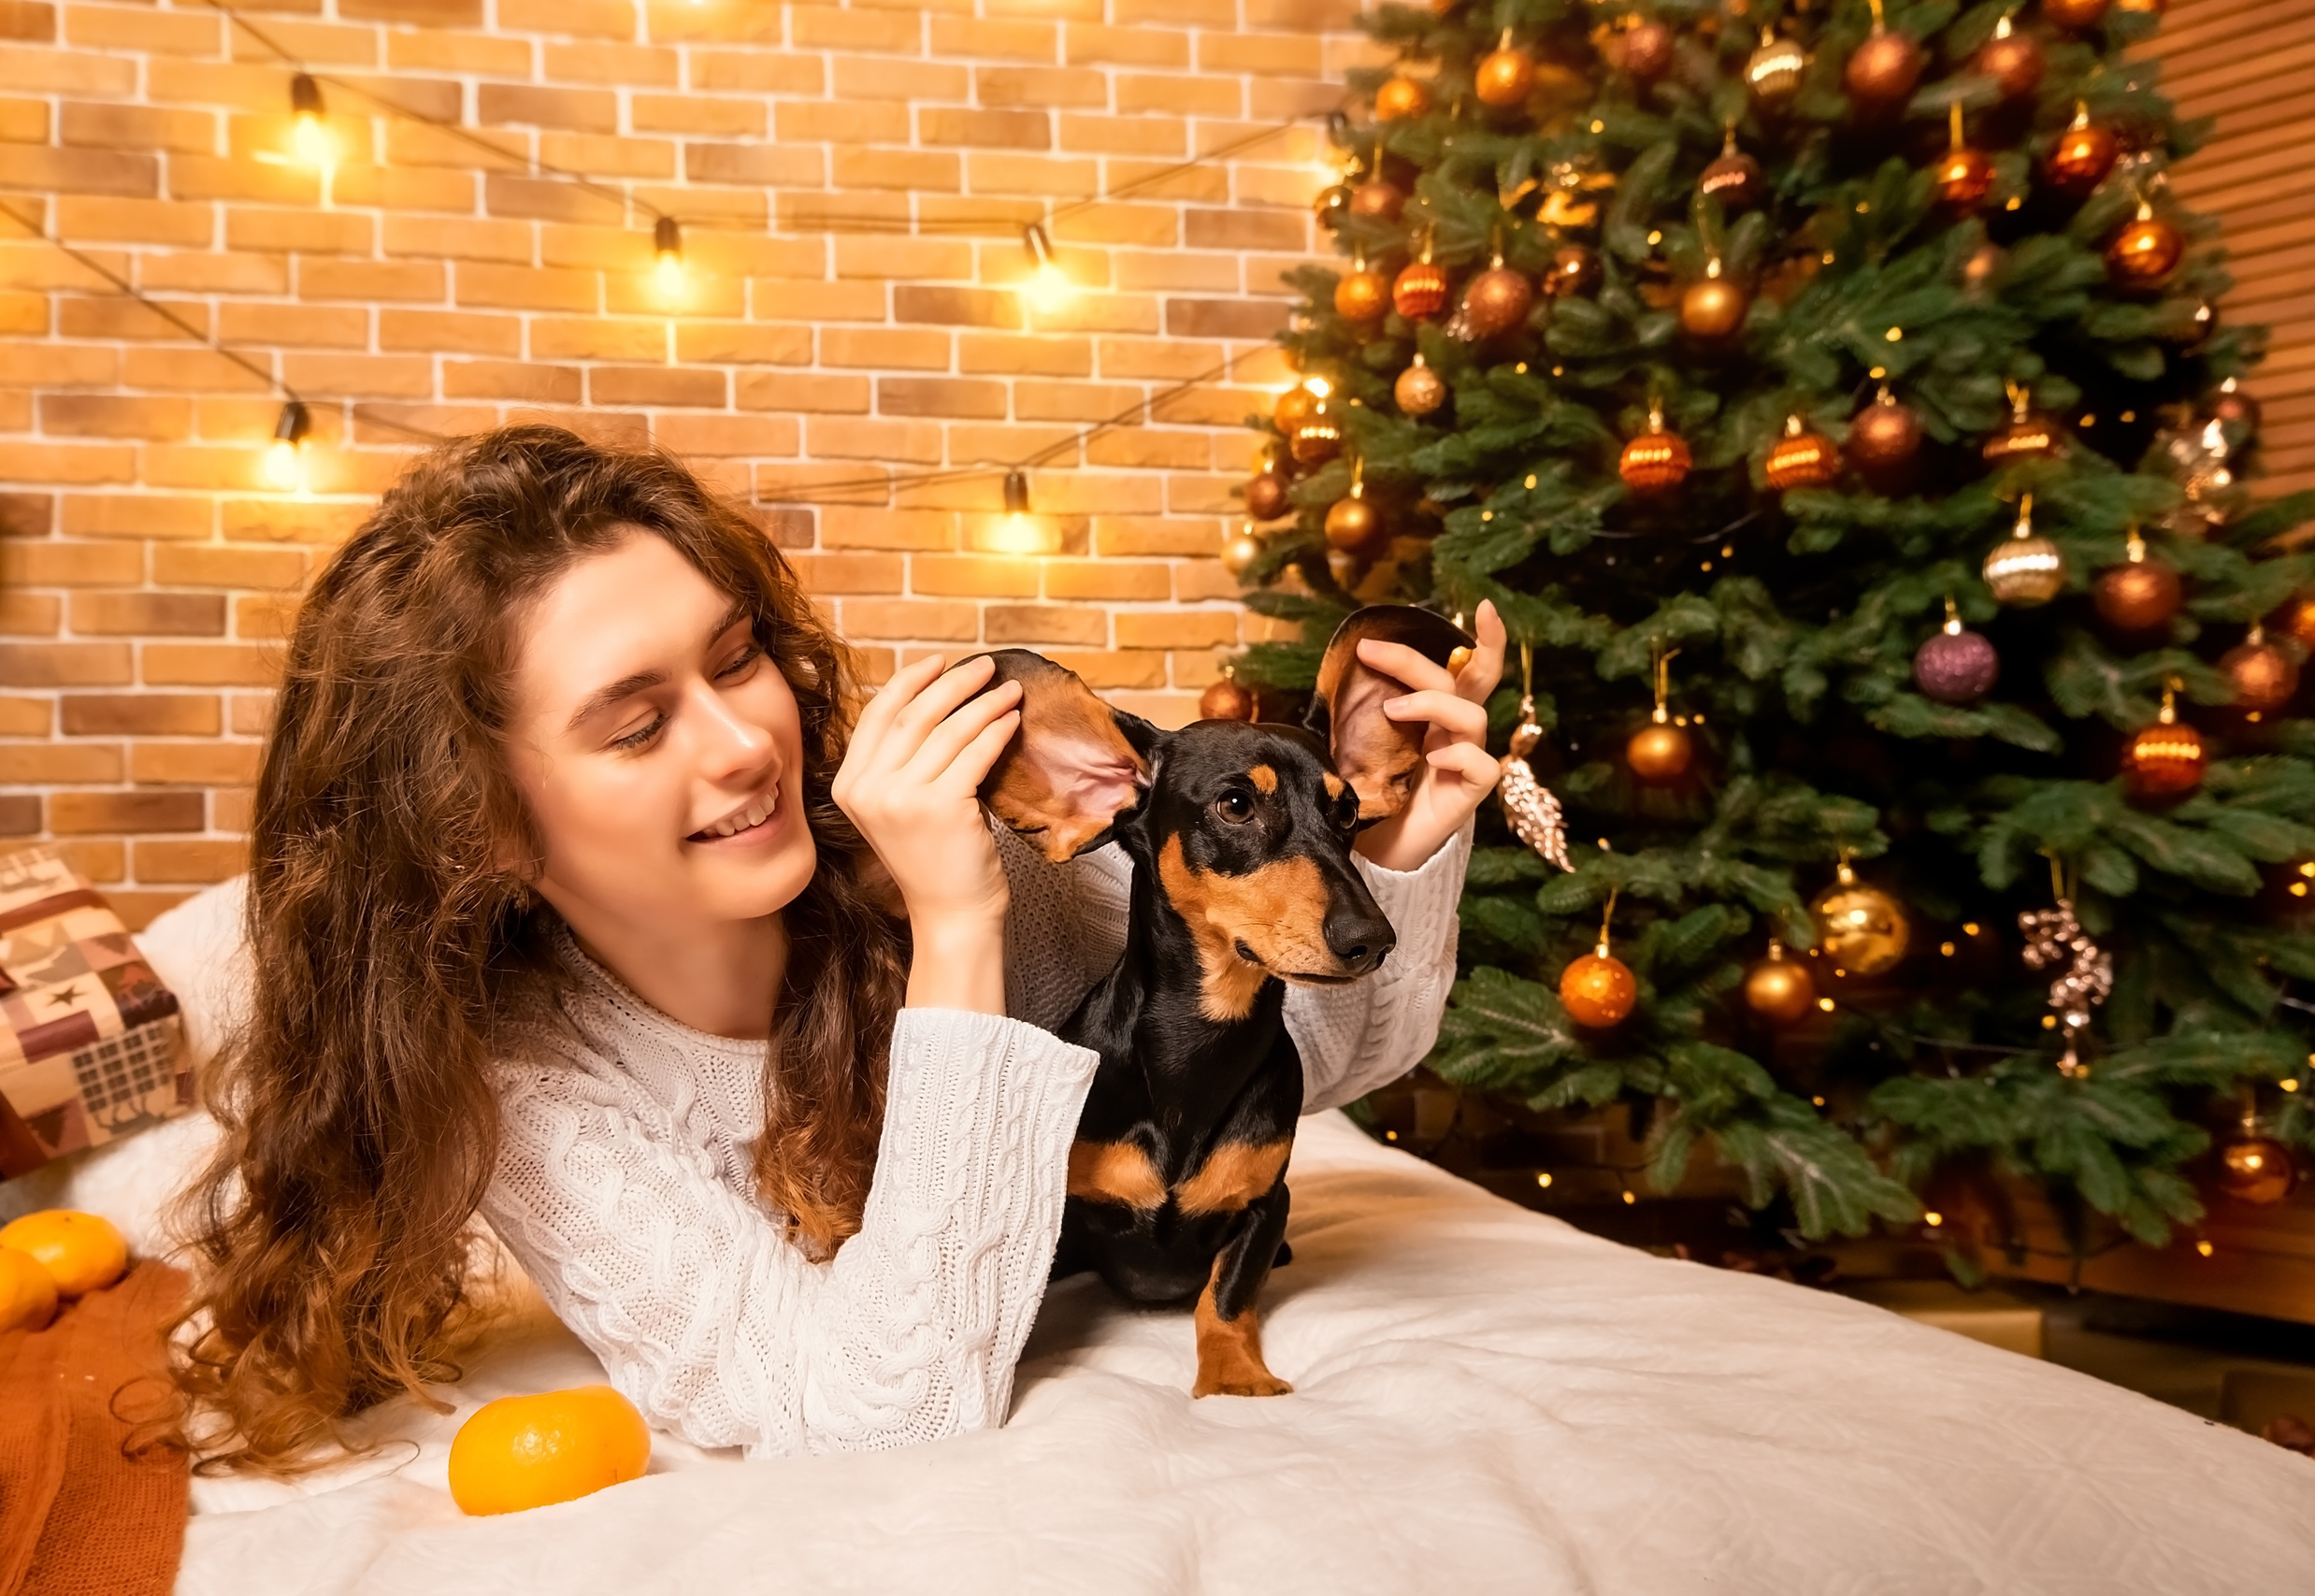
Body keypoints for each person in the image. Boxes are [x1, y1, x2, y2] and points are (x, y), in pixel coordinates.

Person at [171, 424, 1506, 1470]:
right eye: (637, 726)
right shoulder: (528, 1088)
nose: (747, 742)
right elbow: (884, 1408)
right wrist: (956, 930)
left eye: (736, 656)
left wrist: (1402, 846)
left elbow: (1299, 1064)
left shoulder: (973, 836)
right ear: (484, 829)